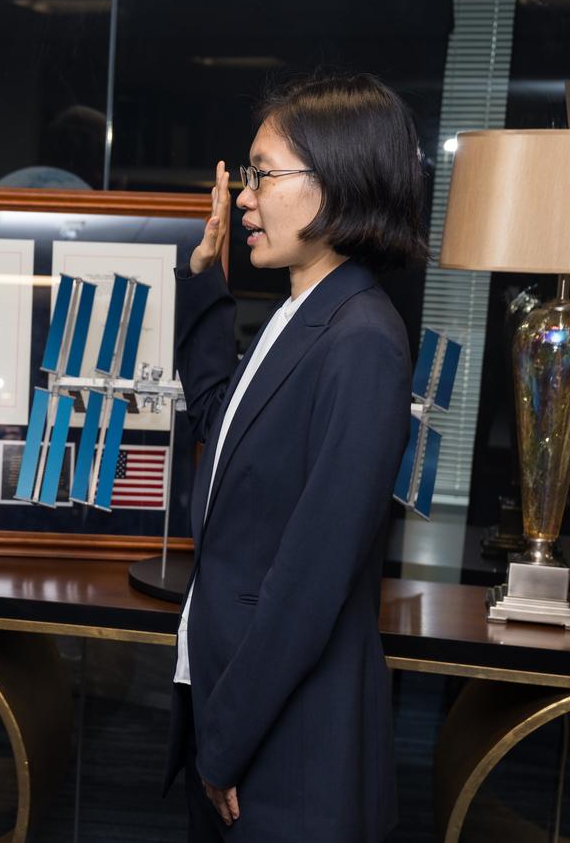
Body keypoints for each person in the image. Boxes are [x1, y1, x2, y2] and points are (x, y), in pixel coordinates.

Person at [163, 74, 426, 842]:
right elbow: (224, 425)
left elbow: (309, 582)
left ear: (338, 179)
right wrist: (205, 279)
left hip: (286, 744)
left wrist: (225, 745)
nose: (245, 196)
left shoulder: (363, 341)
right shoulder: (299, 312)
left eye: (263, 173)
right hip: (238, 719)